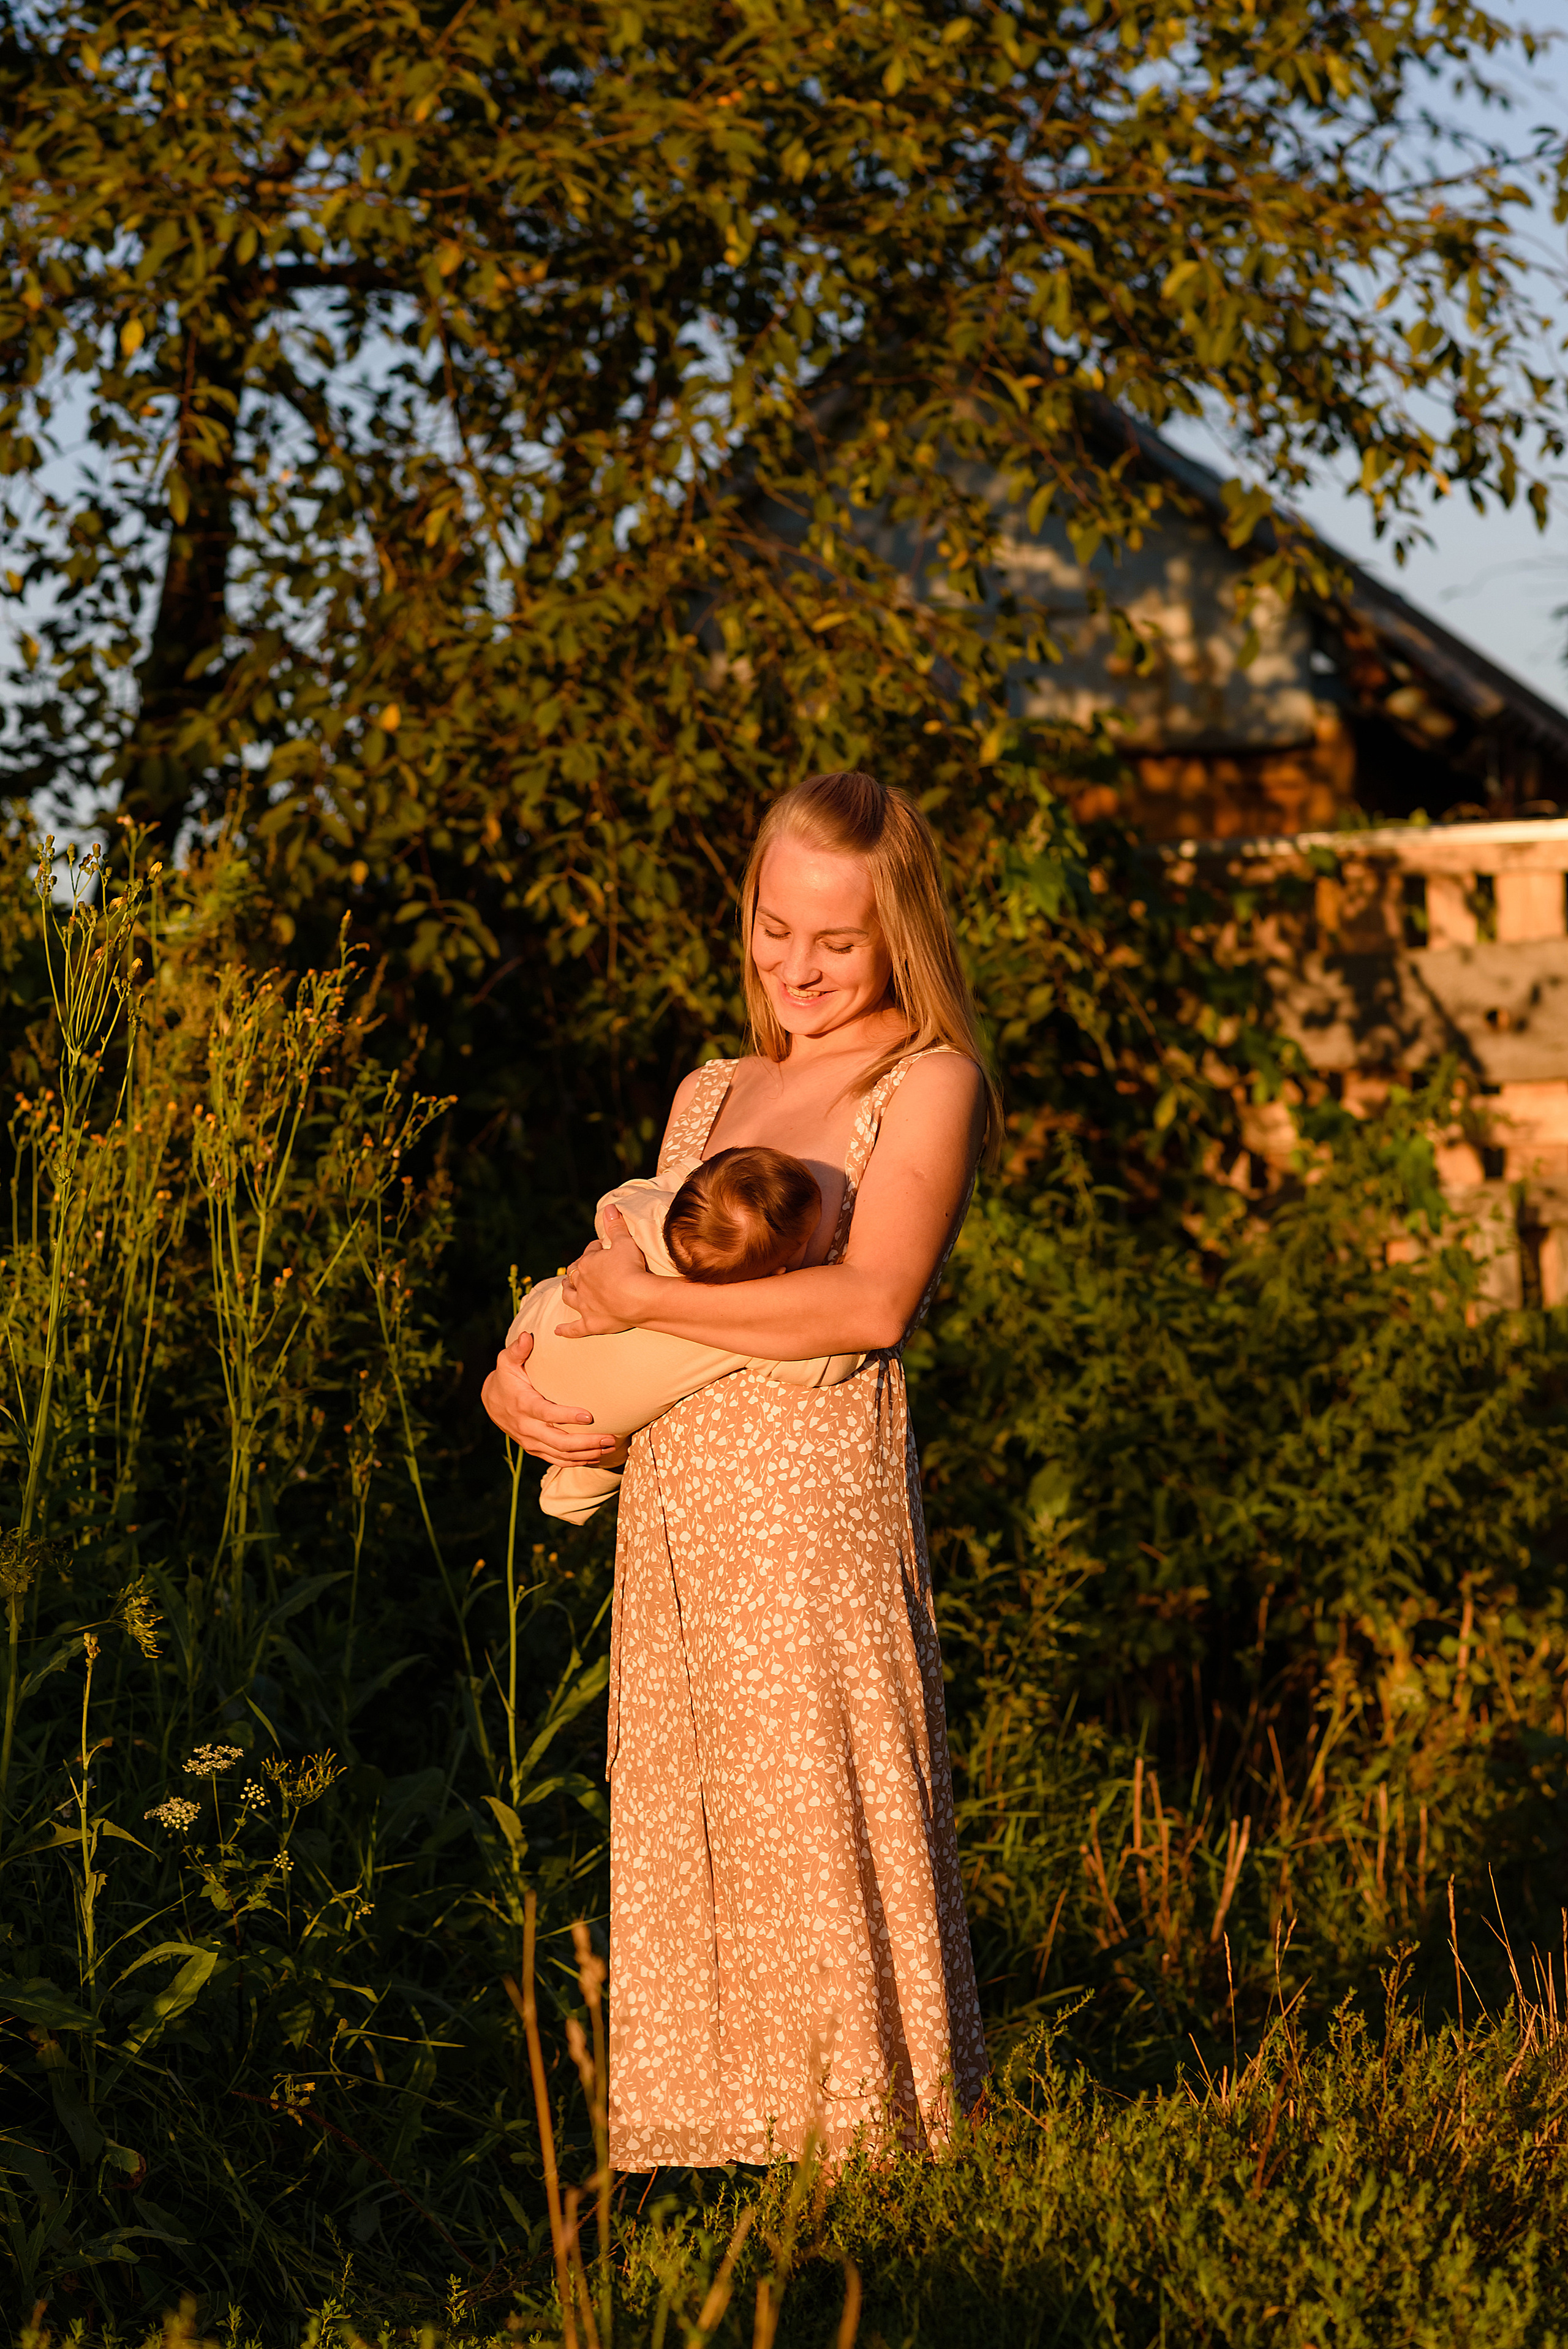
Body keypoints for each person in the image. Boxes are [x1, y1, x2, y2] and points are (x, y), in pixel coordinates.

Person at [483, 768, 998, 2167]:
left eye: (836, 941)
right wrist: (524, 1379)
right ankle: (748, 2165)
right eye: (777, 928)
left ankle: (876, 2172)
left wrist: (643, 1309)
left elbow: (867, 1300)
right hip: (682, 1521)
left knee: (825, 1820)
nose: (799, 966)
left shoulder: (925, 1080)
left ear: (899, 932)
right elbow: (636, 1272)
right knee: (709, 1826)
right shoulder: (711, 1087)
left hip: (813, 1520)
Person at [507, 1147, 864, 1524]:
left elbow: (616, 1201)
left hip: (529, 1342)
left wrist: (688, 1176)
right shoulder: (734, 1325)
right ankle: (563, 1501)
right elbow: (828, 1362)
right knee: (601, 1452)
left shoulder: (637, 1219)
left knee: (555, 1296)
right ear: (778, 1271)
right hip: (583, 1422)